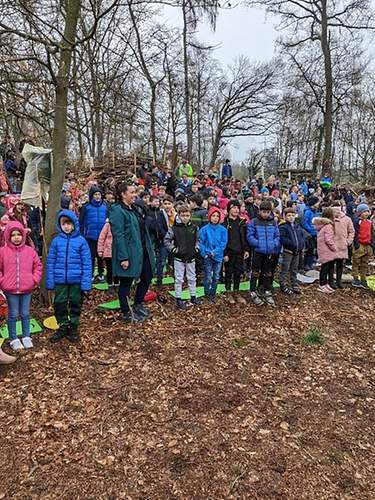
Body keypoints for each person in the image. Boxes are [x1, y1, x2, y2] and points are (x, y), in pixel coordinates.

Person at [110, 183, 156, 323]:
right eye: (132, 192)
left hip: (143, 250)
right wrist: (123, 257)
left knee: (147, 277)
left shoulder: (135, 208)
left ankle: (138, 303)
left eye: (135, 192)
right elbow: (118, 235)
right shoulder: (117, 210)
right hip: (130, 252)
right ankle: (126, 311)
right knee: (126, 282)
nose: (135, 194)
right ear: (123, 194)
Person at [46, 210, 92, 342]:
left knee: (75, 304)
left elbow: (87, 263)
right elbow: (51, 262)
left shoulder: (81, 241)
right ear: (60, 225)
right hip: (60, 280)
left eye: (69, 223)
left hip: (76, 280)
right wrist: (50, 282)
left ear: (74, 225)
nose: (66, 226)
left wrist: (86, 283)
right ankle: (63, 326)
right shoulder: (56, 242)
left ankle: (73, 327)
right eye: (63, 224)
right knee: (59, 304)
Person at [0, 222, 42, 351]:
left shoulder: (30, 251)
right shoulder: (2, 252)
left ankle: (26, 336)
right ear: (8, 236)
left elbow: (38, 266)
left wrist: (34, 280)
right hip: (10, 290)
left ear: (23, 235)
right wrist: (2, 281)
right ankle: (13, 338)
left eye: (19, 234)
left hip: (26, 289)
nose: (16, 237)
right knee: (12, 314)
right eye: (13, 235)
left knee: (25, 313)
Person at [164, 204, 200, 310]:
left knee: (192, 277)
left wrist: (196, 249)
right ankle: (178, 298)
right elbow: (166, 240)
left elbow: (199, 240)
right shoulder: (174, 228)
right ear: (179, 215)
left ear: (190, 216)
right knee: (179, 279)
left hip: (191, 256)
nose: (185, 217)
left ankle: (193, 296)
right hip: (179, 258)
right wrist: (174, 250)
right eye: (183, 215)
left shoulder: (194, 227)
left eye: (187, 215)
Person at [247, 200, 280, 306]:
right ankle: (252, 291)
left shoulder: (273, 222)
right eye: (263, 212)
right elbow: (250, 236)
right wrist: (258, 244)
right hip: (258, 251)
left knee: (267, 272)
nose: (266, 214)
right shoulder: (254, 221)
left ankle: (266, 290)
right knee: (255, 272)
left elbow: (277, 236)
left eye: (268, 212)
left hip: (269, 251)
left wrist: (273, 244)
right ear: (260, 211)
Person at [223, 200, 249, 305]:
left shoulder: (242, 222)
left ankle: (237, 291)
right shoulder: (225, 223)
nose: (236, 210)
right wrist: (224, 253)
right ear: (229, 209)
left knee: (238, 273)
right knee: (228, 273)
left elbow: (245, 237)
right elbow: (222, 240)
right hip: (229, 253)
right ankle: (228, 292)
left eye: (237, 208)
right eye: (233, 208)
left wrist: (246, 250)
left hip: (239, 252)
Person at [199, 206, 228, 302]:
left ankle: (213, 293)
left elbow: (223, 243)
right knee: (208, 275)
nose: (215, 218)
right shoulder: (204, 229)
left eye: (217, 216)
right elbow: (201, 242)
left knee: (216, 276)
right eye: (213, 216)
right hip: (208, 256)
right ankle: (207, 293)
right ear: (209, 217)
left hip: (218, 256)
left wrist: (215, 252)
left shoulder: (223, 230)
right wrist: (205, 253)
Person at [80, 186, 107, 282]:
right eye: (95, 194)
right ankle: (90, 274)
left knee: (100, 256)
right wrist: (82, 234)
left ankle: (101, 273)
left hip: (101, 236)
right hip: (89, 236)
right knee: (90, 256)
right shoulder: (86, 207)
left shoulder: (105, 207)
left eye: (99, 194)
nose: (97, 196)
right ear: (92, 196)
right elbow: (81, 222)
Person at [279, 208, 306, 294]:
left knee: (294, 268)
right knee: (285, 268)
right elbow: (282, 238)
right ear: (285, 216)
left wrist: (301, 244)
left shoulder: (297, 226)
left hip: (297, 252)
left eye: (293, 215)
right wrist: (291, 243)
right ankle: (283, 284)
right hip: (288, 251)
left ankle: (294, 283)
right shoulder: (283, 227)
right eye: (289, 215)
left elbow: (301, 236)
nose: (291, 217)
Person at [313, 208, 338, 294]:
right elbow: (328, 240)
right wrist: (335, 248)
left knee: (326, 267)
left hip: (323, 250)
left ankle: (324, 284)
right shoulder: (328, 226)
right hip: (327, 250)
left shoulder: (322, 225)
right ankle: (322, 285)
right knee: (325, 268)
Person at [146, 196, 168, 286]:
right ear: (150, 202)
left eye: (158, 202)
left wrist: (163, 233)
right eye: (155, 201)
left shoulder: (161, 213)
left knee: (162, 261)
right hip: (151, 239)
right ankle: (149, 278)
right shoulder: (147, 213)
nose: (157, 203)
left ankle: (159, 279)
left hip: (161, 240)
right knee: (151, 259)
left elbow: (165, 226)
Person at [332, 201, 354, 289]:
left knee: (340, 264)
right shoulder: (329, 219)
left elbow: (351, 231)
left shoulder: (347, 219)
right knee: (330, 264)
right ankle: (330, 281)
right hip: (331, 245)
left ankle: (338, 281)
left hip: (342, 245)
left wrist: (348, 241)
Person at [352, 204, 375, 289]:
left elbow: (372, 233)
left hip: (368, 245)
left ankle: (363, 279)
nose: (366, 213)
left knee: (364, 263)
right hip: (360, 244)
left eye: (367, 211)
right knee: (356, 262)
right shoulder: (357, 221)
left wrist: (372, 244)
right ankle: (355, 278)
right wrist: (356, 244)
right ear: (359, 213)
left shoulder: (369, 222)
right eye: (364, 211)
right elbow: (355, 233)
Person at [97, 219, 119, 290]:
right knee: (110, 269)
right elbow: (101, 238)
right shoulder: (107, 225)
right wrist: (100, 250)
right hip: (108, 252)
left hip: (117, 252)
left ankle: (116, 284)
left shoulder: (120, 224)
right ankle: (110, 285)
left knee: (117, 269)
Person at [302, 195, 320, 270]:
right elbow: (304, 223)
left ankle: (310, 263)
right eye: (317, 202)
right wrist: (311, 230)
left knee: (313, 249)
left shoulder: (314, 211)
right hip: (309, 234)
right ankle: (306, 264)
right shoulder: (308, 212)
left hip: (314, 233)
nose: (318, 204)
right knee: (309, 249)